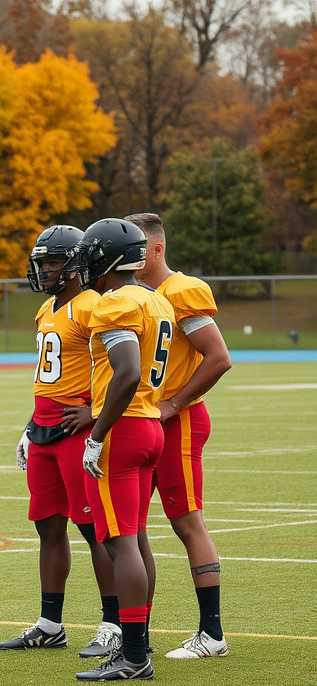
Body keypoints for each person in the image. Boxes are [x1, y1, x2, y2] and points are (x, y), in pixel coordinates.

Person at [0, 226, 122, 658]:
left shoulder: (95, 306)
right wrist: (29, 426)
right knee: (47, 525)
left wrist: (95, 412)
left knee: (95, 530)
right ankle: (51, 624)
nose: (44, 270)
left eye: (52, 262)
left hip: (77, 429)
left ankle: (114, 624)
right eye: (42, 263)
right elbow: (46, 378)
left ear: (73, 264)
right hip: (45, 428)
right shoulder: (48, 309)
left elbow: (120, 367)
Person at [71, 218, 176, 682]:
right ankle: (140, 641)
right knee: (136, 537)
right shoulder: (155, 298)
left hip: (125, 428)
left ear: (106, 256)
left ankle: (133, 655)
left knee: (120, 542)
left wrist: (96, 434)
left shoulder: (114, 302)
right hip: (151, 425)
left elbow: (127, 372)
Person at [126, 212, 232, 660]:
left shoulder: (180, 291)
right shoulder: (134, 296)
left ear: (157, 248)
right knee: (131, 524)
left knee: (186, 520)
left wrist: (173, 404)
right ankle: (131, 632)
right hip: (147, 421)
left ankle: (212, 634)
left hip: (178, 420)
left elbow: (218, 357)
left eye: (135, 248)